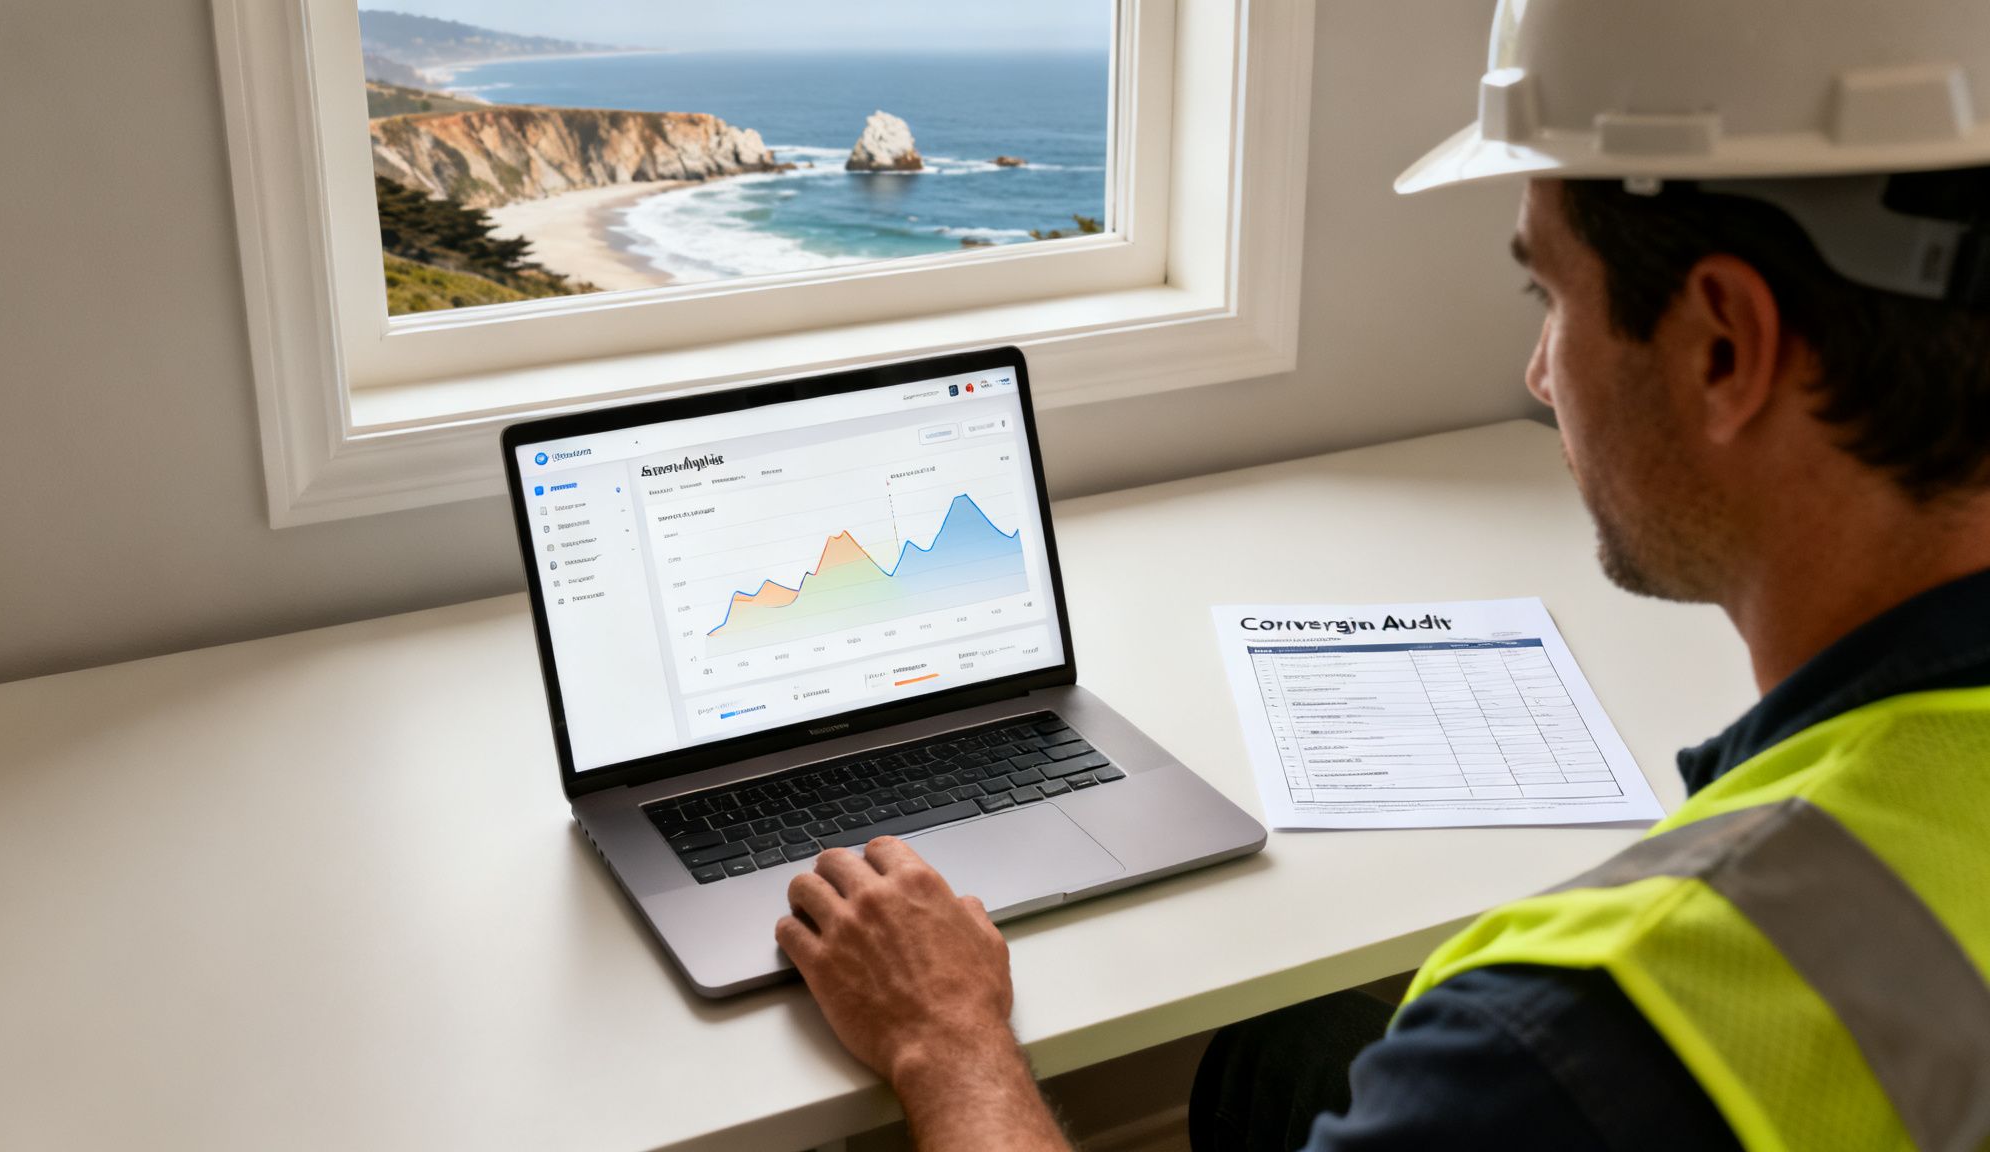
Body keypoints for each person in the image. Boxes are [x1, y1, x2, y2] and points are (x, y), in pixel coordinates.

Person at [774, 2, 1990, 1148]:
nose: (1535, 373)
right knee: (1281, 1057)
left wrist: (947, 1038)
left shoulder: (1567, 1038)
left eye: (1546, 294)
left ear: (1723, 346)